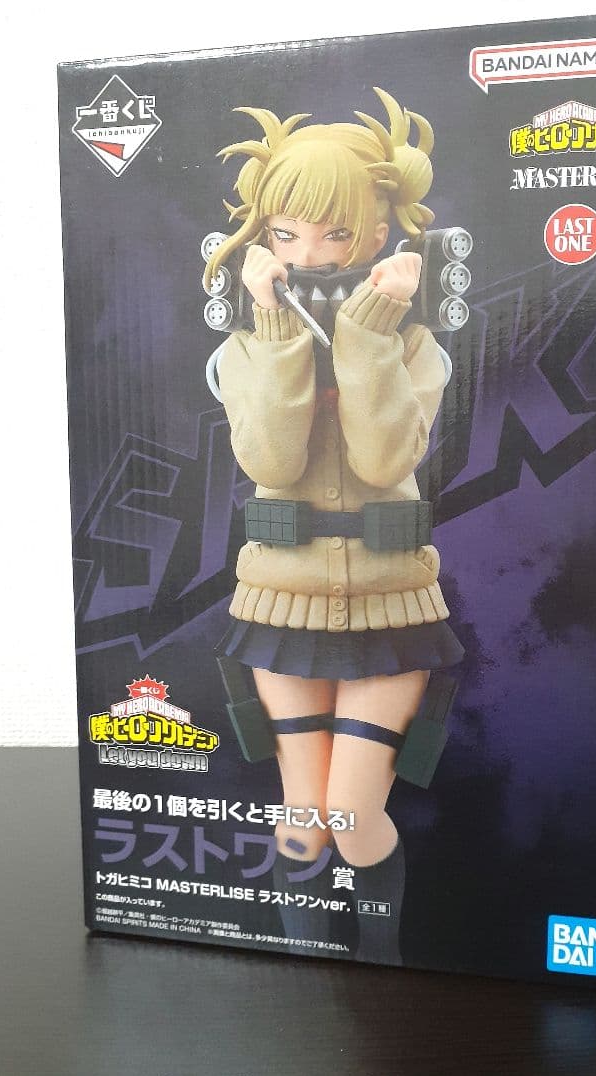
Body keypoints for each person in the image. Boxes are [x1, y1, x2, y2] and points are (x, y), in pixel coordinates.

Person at [207, 87, 464, 964]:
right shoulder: (246, 347)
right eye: (286, 233)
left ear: (379, 235)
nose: (308, 254)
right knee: (302, 825)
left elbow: (386, 459)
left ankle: (385, 967)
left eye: (335, 233)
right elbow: (273, 462)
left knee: (351, 818)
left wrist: (368, 331)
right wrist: (278, 329)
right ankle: (305, 973)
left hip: (393, 604)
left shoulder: (413, 345)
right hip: (280, 603)